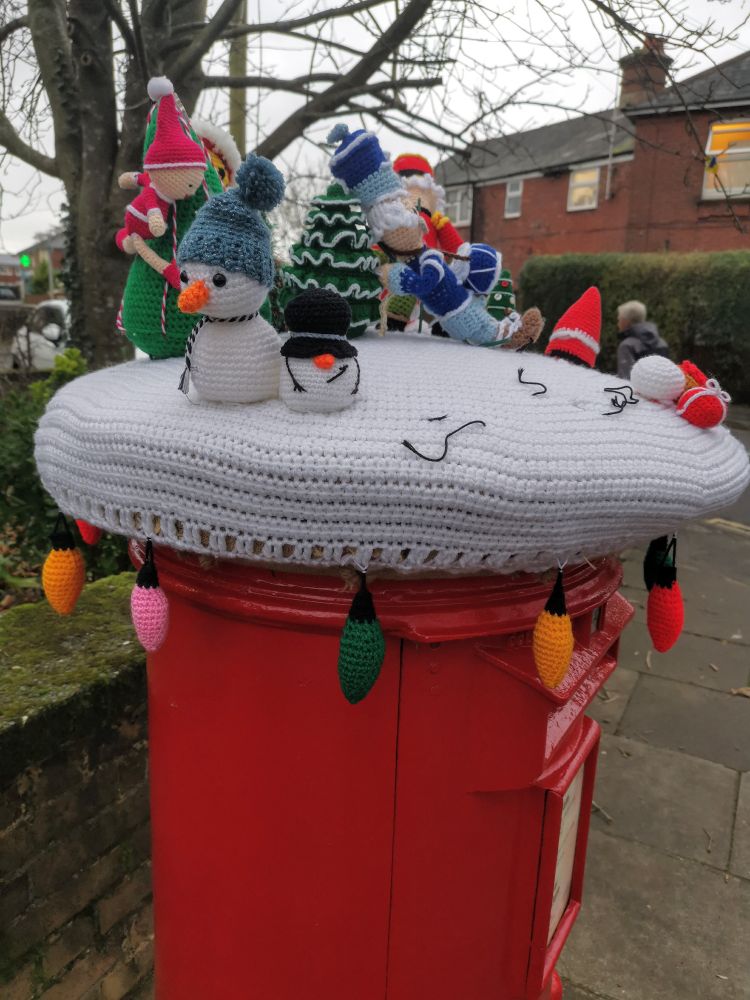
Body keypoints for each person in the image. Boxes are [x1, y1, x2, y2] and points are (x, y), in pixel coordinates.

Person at [616, 300, 670, 378]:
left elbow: (625, 378)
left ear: (626, 321)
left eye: (619, 319)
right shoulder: (662, 343)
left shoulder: (627, 346)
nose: (618, 324)